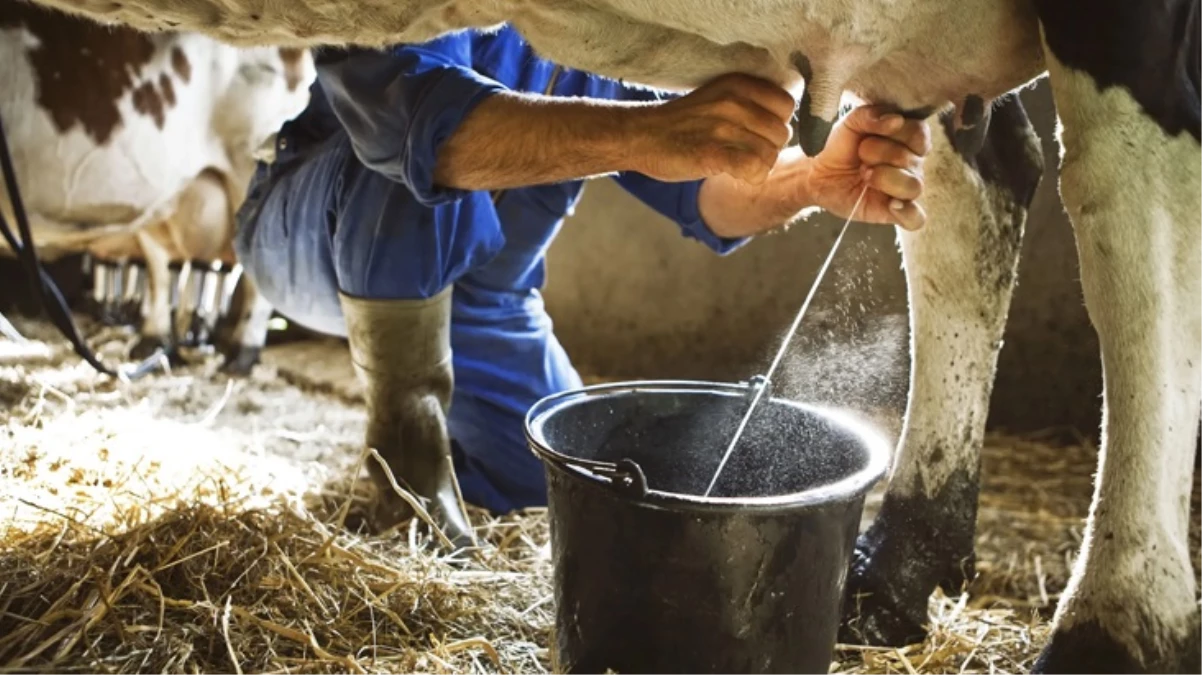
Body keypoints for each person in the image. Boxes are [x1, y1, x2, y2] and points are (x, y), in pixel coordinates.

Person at [234, 25, 931, 545]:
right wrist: (649, 134)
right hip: (311, 230)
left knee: (562, 480)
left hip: (485, 304)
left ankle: (459, 455)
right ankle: (406, 474)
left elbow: (708, 193)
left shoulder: (599, 28)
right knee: (415, 161)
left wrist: (810, 179)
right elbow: (417, 127)